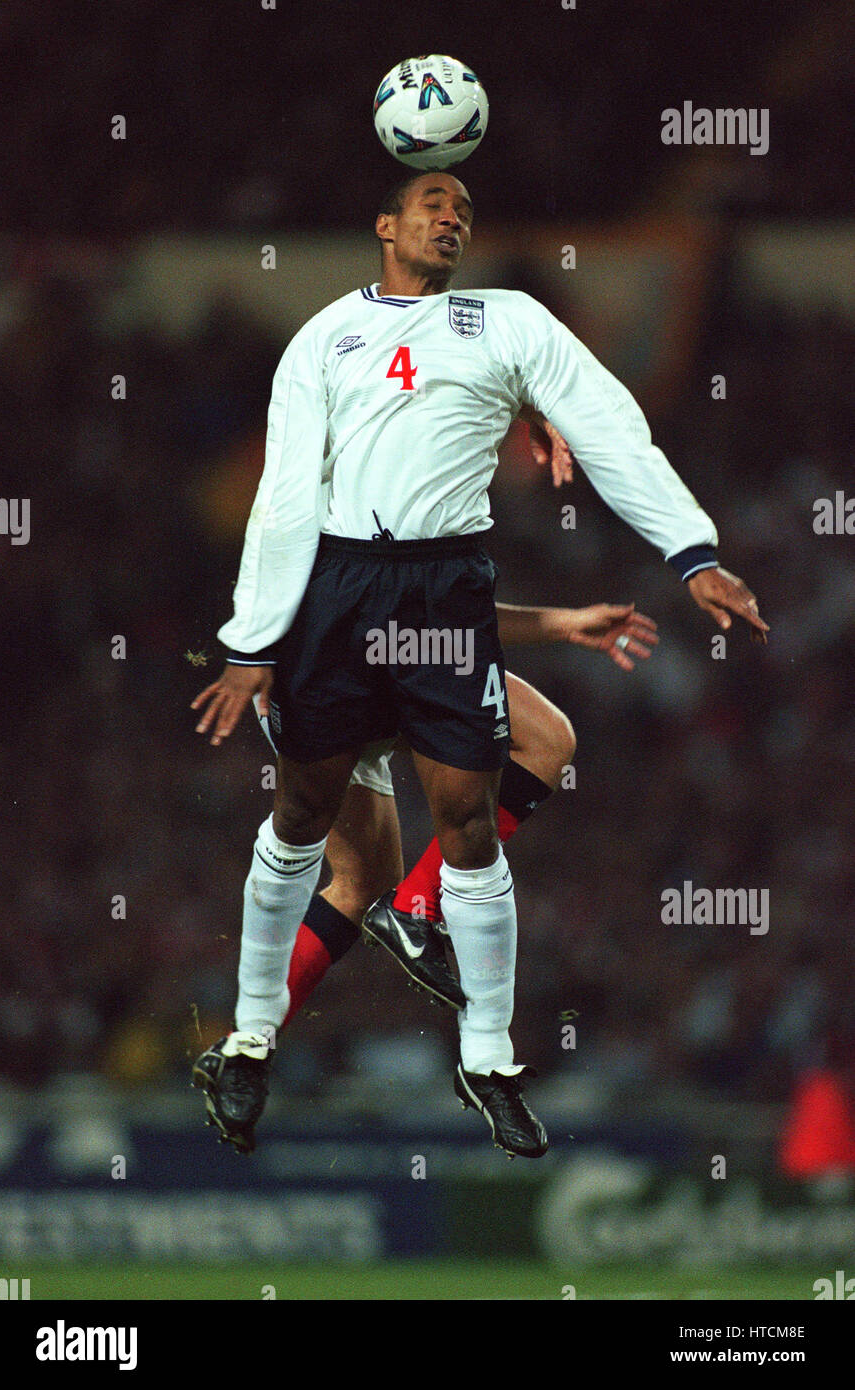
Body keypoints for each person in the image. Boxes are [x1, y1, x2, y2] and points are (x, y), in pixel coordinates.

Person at [191, 168, 768, 1160]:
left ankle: (483, 1055)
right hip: (328, 611)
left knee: (485, 799)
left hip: (436, 605)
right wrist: (251, 641)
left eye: (462, 205)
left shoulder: (506, 328)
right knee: (326, 844)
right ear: (383, 225)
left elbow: (606, 426)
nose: (449, 214)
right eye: (428, 202)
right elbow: (287, 501)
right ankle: (249, 1040)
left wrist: (691, 551)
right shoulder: (326, 341)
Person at [193, 592, 659, 1154]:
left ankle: (398, 921)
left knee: (543, 744)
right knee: (350, 870)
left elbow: (452, 602)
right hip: (334, 671)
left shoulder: (440, 533)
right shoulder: (350, 521)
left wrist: (562, 622)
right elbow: (288, 552)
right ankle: (252, 1040)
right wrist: (254, 649)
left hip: (411, 658)